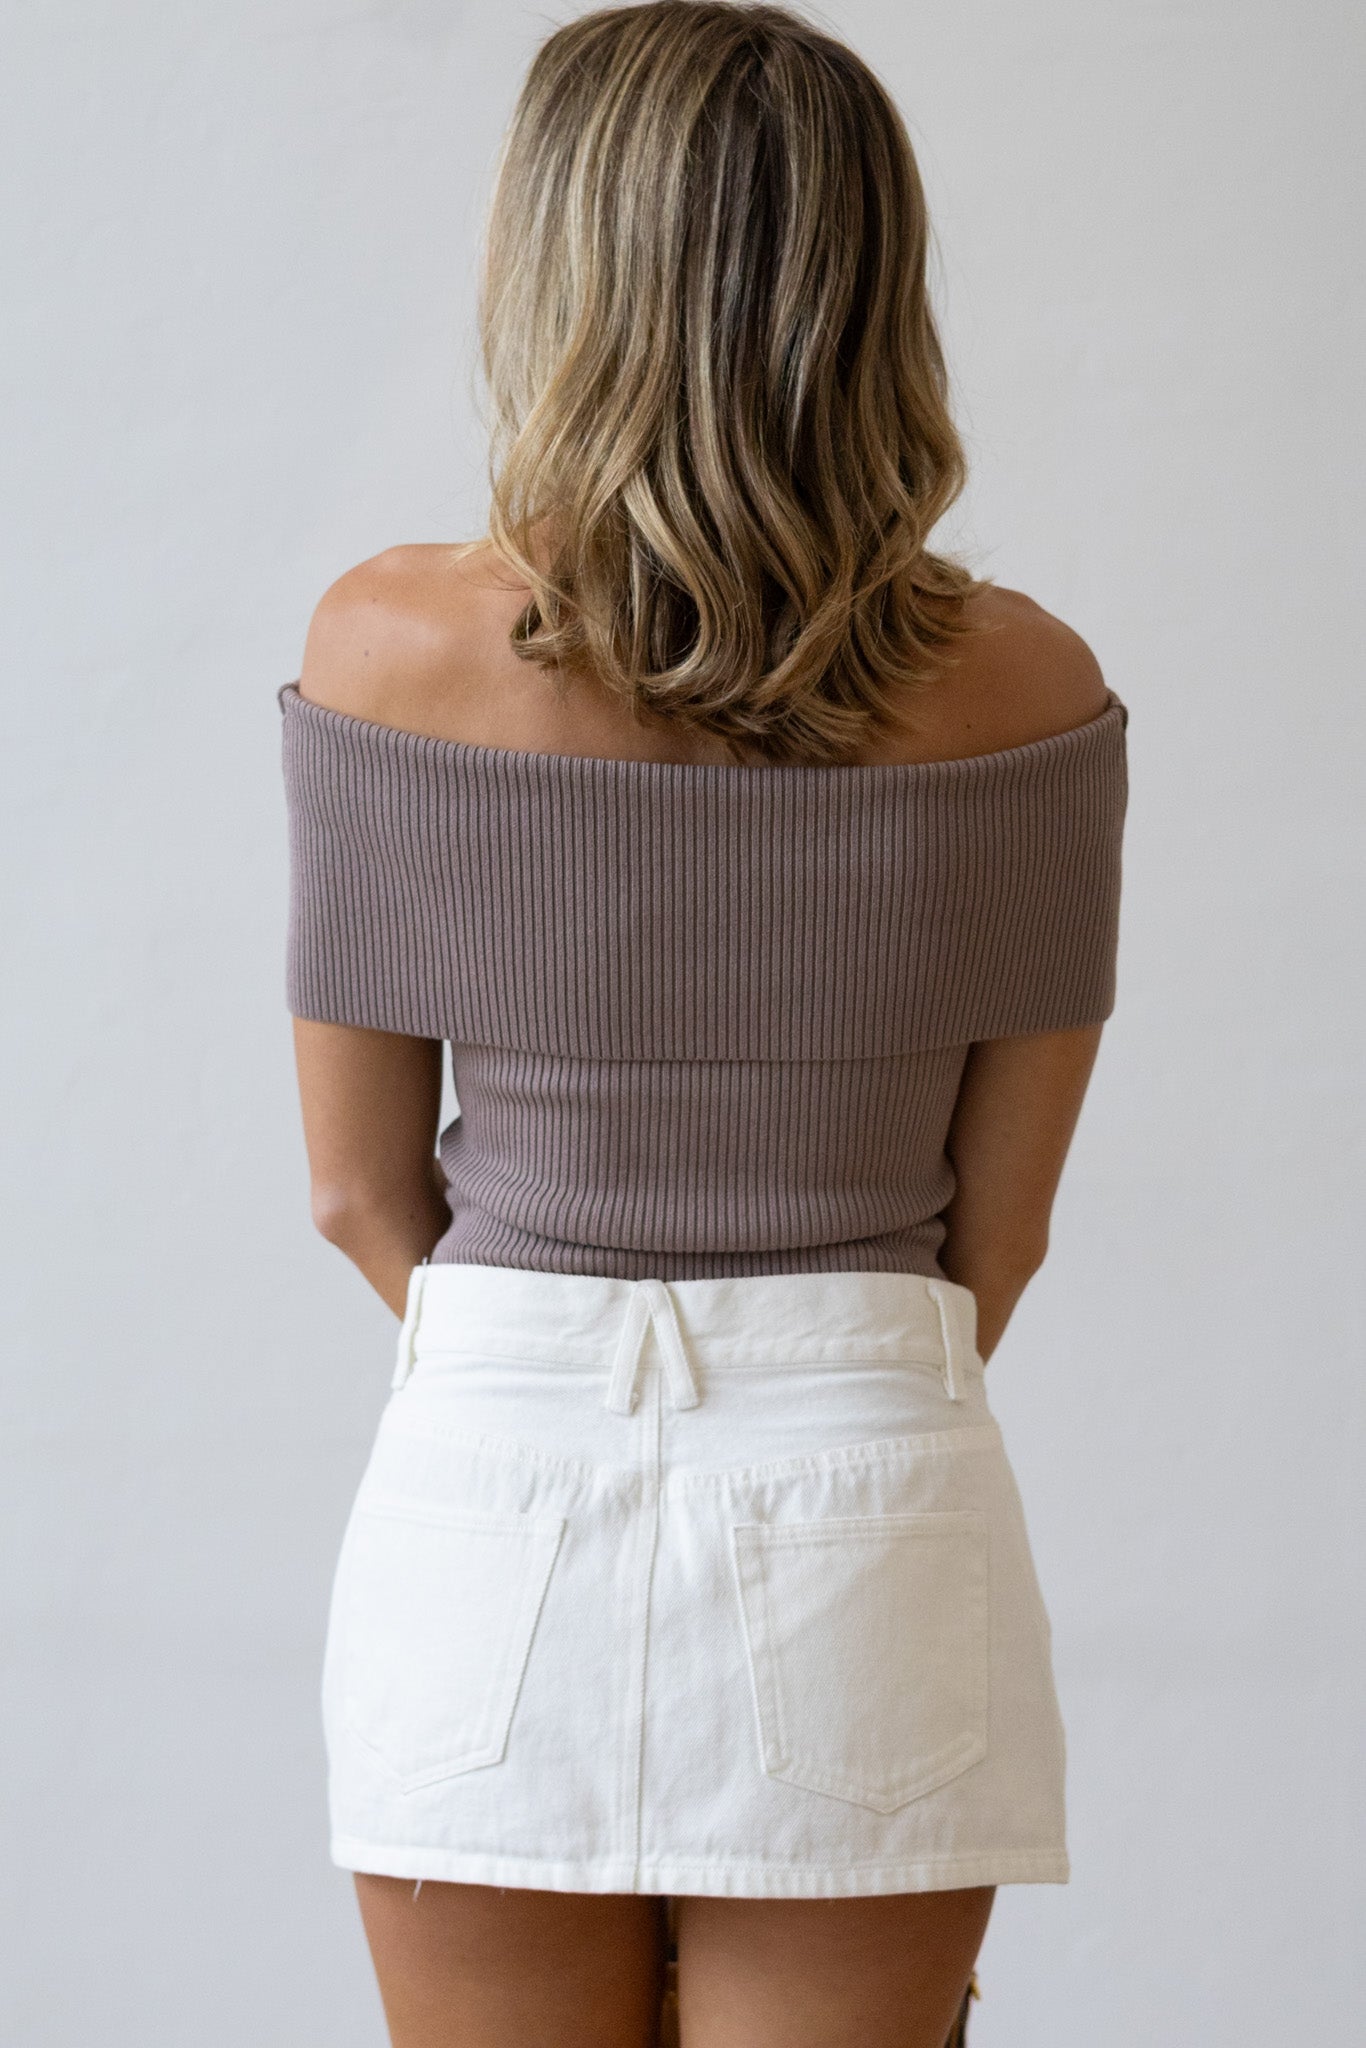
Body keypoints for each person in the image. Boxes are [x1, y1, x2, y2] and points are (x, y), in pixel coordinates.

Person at [278, 5, 1129, 2044]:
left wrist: (571, 1376)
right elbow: (987, 1241)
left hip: (497, 1464)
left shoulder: (389, 646)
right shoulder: (1020, 688)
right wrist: (783, 1397)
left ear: (559, 269)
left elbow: (350, 1190)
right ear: (865, 285)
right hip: (865, 1463)